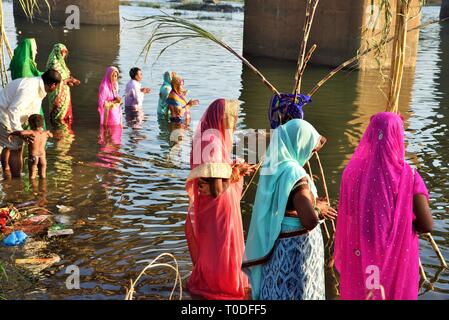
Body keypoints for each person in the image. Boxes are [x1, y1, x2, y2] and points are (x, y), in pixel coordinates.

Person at [334, 112, 434, 300]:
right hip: (395, 256)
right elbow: (427, 225)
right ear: (398, 137)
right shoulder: (408, 176)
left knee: (364, 293)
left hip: (360, 249)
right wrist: (403, 226)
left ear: (369, 136)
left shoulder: (351, 171)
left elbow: (347, 212)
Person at [243, 119, 336, 300]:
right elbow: (309, 220)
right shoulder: (294, 173)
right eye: (310, 149)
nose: (310, 154)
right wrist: (318, 208)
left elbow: (285, 202)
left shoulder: (275, 166)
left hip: (278, 246)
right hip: (295, 253)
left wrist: (311, 200)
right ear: (299, 144)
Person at [185, 99, 255, 300]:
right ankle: (222, 286)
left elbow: (210, 175)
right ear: (222, 117)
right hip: (219, 209)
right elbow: (216, 188)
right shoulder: (214, 143)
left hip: (206, 208)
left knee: (211, 249)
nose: (234, 121)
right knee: (223, 247)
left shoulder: (202, 139)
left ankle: (209, 281)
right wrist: (236, 174)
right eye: (232, 117)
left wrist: (233, 168)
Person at [0, 69, 61, 178]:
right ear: (53, 85)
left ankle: (7, 172)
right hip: (4, 116)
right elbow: (13, 109)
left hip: (6, 114)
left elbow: (33, 113)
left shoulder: (38, 88)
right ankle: (16, 182)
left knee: (9, 145)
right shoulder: (30, 88)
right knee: (17, 147)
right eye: (57, 87)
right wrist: (19, 132)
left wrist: (36, 131)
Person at [9, 38, 46, 129]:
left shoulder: (24, 62)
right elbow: (32, 79)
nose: (36, 52)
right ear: (29, 49)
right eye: (35, 49)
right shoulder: (24, 65)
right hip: (27, 100)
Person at [45, 43, 81, 129]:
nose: (64, 55)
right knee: (58, 118)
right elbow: (54, 80)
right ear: (57, 52)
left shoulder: (62, 64)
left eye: (65, 52)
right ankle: (59, 133)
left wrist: (71, 81)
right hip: (56, 94)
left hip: (65, 94)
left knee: (66, 119)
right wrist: (70, 80)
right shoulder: (53, 64)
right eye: (62, 52)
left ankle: (65, 134)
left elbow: (65, 77)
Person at [9, 114, 53, 180]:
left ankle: (33, 189)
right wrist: (49, 133)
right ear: (42, 124)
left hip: (34, 156)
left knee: (32, 176)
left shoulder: (32, 132)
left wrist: (11, 133)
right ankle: (43, 189)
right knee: (43, 176)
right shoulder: (45, 133)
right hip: (42, 156)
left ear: (31, 124)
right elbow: (51, 135)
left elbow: (21, 132)